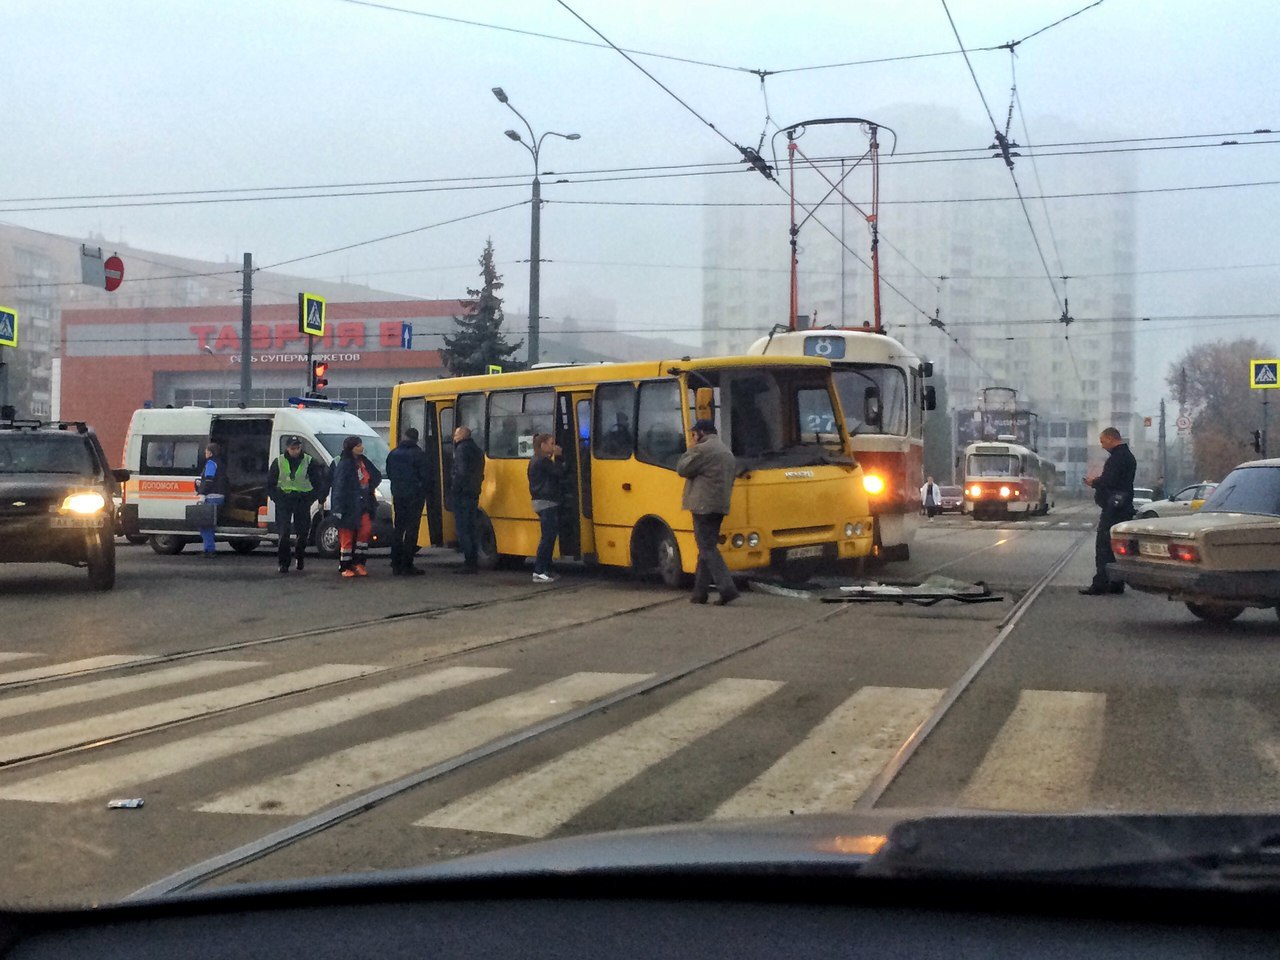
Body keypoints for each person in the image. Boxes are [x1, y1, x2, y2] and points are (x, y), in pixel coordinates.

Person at [675, 418, 739, 606]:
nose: (693, 436)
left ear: (702, 433)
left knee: (708, 549)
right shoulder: (725, 450)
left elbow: (682, 469)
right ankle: (700, 593)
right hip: (719, 505)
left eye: (694, 434)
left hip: (703, 507)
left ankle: (727, 589)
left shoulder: (702, 449)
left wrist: (691, 448)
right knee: (705, 548)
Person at [1080, 426, 1136, 596]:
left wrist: (1093, 482)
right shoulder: (1128, 456)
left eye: (1103, 442)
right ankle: (1116, 582)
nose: (1103, 446)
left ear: (1112, 439)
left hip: (1114, 508)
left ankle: (1101, 583)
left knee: (1104, 545)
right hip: (1123, 506)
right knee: (1117, 547)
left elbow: (1109, 481)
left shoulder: (1117, 458)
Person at [266, 436, 327, 574]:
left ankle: (299, 557)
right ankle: (283, 563)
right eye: (293, 448)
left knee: (302, 532)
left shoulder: (309, 462)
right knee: (284, 533)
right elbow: (270, 483)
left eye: (298, 448)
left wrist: (311, 498)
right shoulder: (279, 462)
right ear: (287, 448)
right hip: (284, 500)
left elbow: (318, 483)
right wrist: (277, 498)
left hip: (302, 500)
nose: (295, 451)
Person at [330, 435, 382, 578]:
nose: (362, 447)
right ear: (351, 448)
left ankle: (359, 563)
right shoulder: (344, 464)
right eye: (358, 445)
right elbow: (339, 487)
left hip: (364, 504)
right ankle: (344, 566)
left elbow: (375, 476)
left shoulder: (363, 461)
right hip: (349, 506)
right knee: (347, 536)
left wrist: (369, 489)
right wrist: (338, 509)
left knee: (364, 533)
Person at [384, 427, 433, 576]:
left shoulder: (393, 454)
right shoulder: (419, 455)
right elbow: (426, 476)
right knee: (412, 530)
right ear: (416, 439)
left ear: (404, 437)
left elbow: (390, 472)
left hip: (398, 494)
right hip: (415, 496)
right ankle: (407, 564)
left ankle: (395, 562)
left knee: (398, 528)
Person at [527, 433, 564, 583]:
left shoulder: (538, 460)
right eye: (551, 443)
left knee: (549, 537)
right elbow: (559, 472)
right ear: (542, 445)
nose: (553, 446)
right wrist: (559, 457)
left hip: (543, 501)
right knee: (547, 538)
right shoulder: (542, 460)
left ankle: (546, 569)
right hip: (546, 501)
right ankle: (539, 571)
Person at [449, 425, 485, 575]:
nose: (454, 437)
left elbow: (461, 472)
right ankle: (473, 561)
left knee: (463, 530)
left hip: (462, 495)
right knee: (472, 529)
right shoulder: (477, 449)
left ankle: (469, 563)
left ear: (463, 436)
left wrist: (454, 489)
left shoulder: (461, 449)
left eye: (456, 435)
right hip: (473, 493)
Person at [195, 441, 228, 558]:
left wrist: (202, 493)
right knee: (210, 525)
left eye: (206, 451)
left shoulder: (211, 463)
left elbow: (209, 480)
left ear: (210, 452)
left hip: (212, 496)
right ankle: (209, 548)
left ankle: (209, 549)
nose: (205, 453)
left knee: (205, 525)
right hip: (220, 496)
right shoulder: (221, 463)